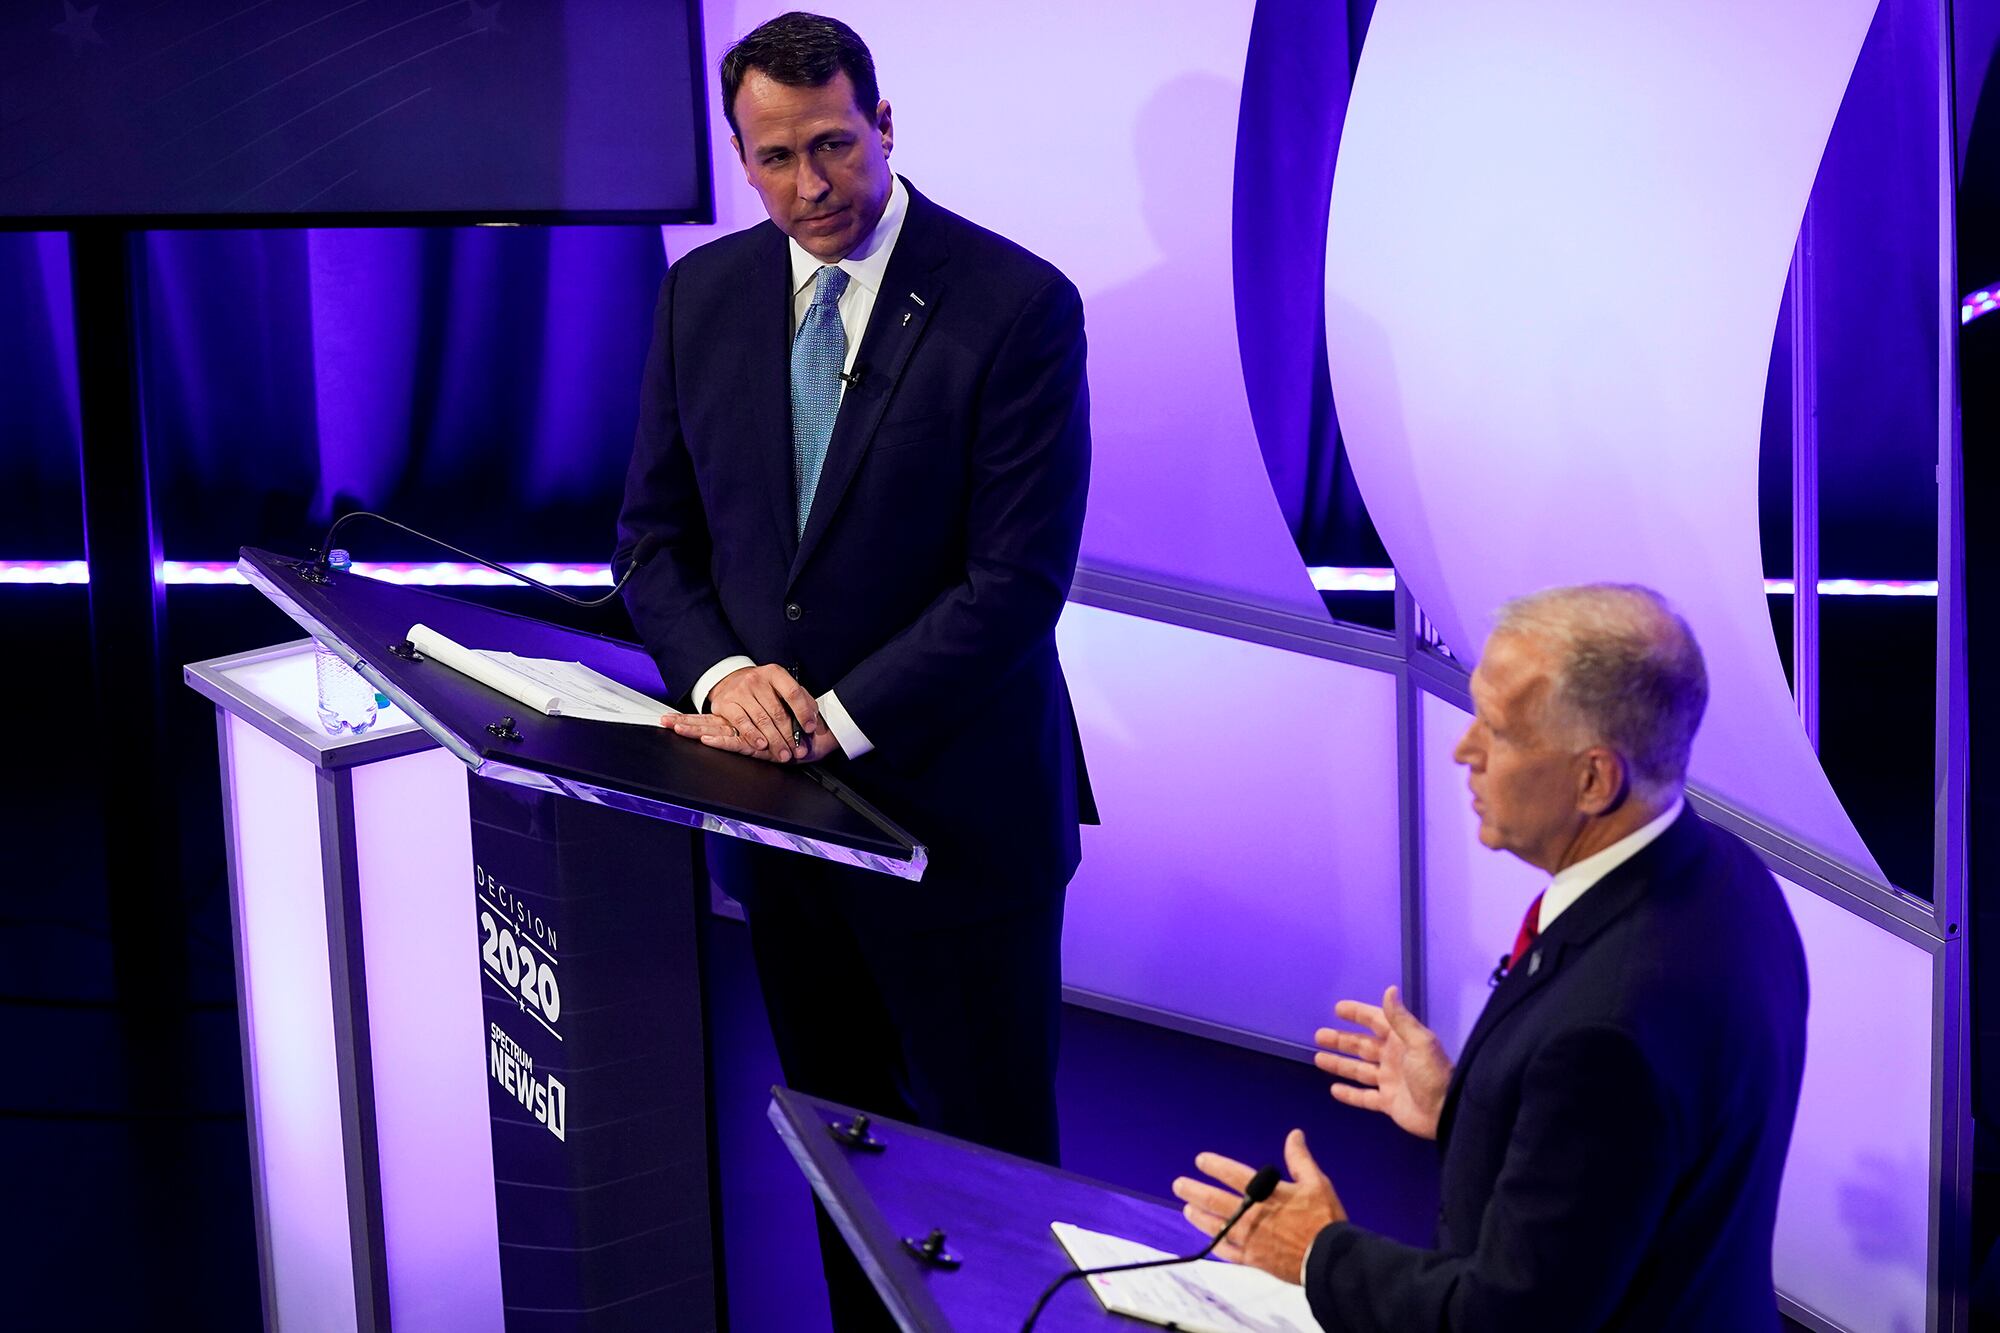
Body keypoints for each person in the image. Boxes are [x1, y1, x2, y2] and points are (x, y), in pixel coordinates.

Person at [613, 11, 1093, 1327]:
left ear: (886, 125)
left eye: (833, 145)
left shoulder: (1017, 306)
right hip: (780, 826)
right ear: (739, 156)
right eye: (774, 158)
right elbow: (653, 542)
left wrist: (825, 716)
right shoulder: (702, 294)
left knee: (992, 1174)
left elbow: (1014, 589)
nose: (809, 186)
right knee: (841, 1151)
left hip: (956, 820)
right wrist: (719, 678)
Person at [1174, 584, 1808, 1330]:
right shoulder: (1725, 876)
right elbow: (1626, 1169)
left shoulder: (1606, 1034)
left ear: (1595, 778)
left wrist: (1317, 1252)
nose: (1463, 749)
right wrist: (1465, 1107)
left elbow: (1504, 1319)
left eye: (1498, 730)